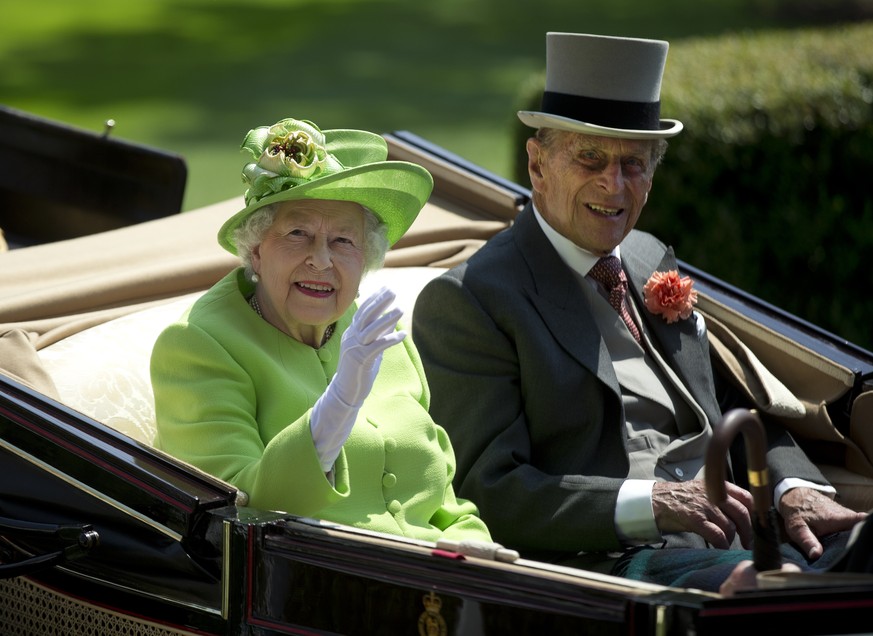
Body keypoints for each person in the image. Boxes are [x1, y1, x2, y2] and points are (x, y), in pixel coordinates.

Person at [411, 33, 866, 590]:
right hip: (612, 564)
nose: (614, 182)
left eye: (634, 162)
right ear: (537, 164)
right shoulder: (472, 300)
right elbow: (488, 490)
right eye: (590, 157)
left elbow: (722, 403)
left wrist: (795, 489)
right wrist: (654, 503)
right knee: (782, 591)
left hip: (743, 530)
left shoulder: (648, 255)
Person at [150, 116, 492, 544]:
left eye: (344, 241)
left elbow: (447, 505)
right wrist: (340, 403)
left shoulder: (380, 334)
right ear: (256, 250)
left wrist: (480, 556)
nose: (322, 260)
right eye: (299, 233)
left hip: (435, 586)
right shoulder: (198, 346)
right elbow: (235, 517)